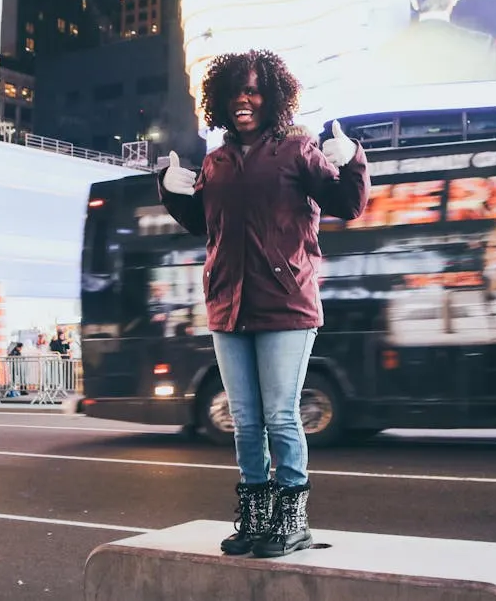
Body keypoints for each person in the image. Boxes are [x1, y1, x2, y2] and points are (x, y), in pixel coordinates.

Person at [158, 49, 369, 558]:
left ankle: (291, 521)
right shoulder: (217, 161)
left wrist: (353, 159)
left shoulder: (297, 149)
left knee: (280, 415)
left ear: (272, 96)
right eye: (234, 93)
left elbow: (348, 205)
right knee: (244, 419)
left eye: (252, 91)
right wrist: (171, 192)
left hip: (286, 304)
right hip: (227, 303)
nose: (243, 101)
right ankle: (255, 520)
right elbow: (205, 226)